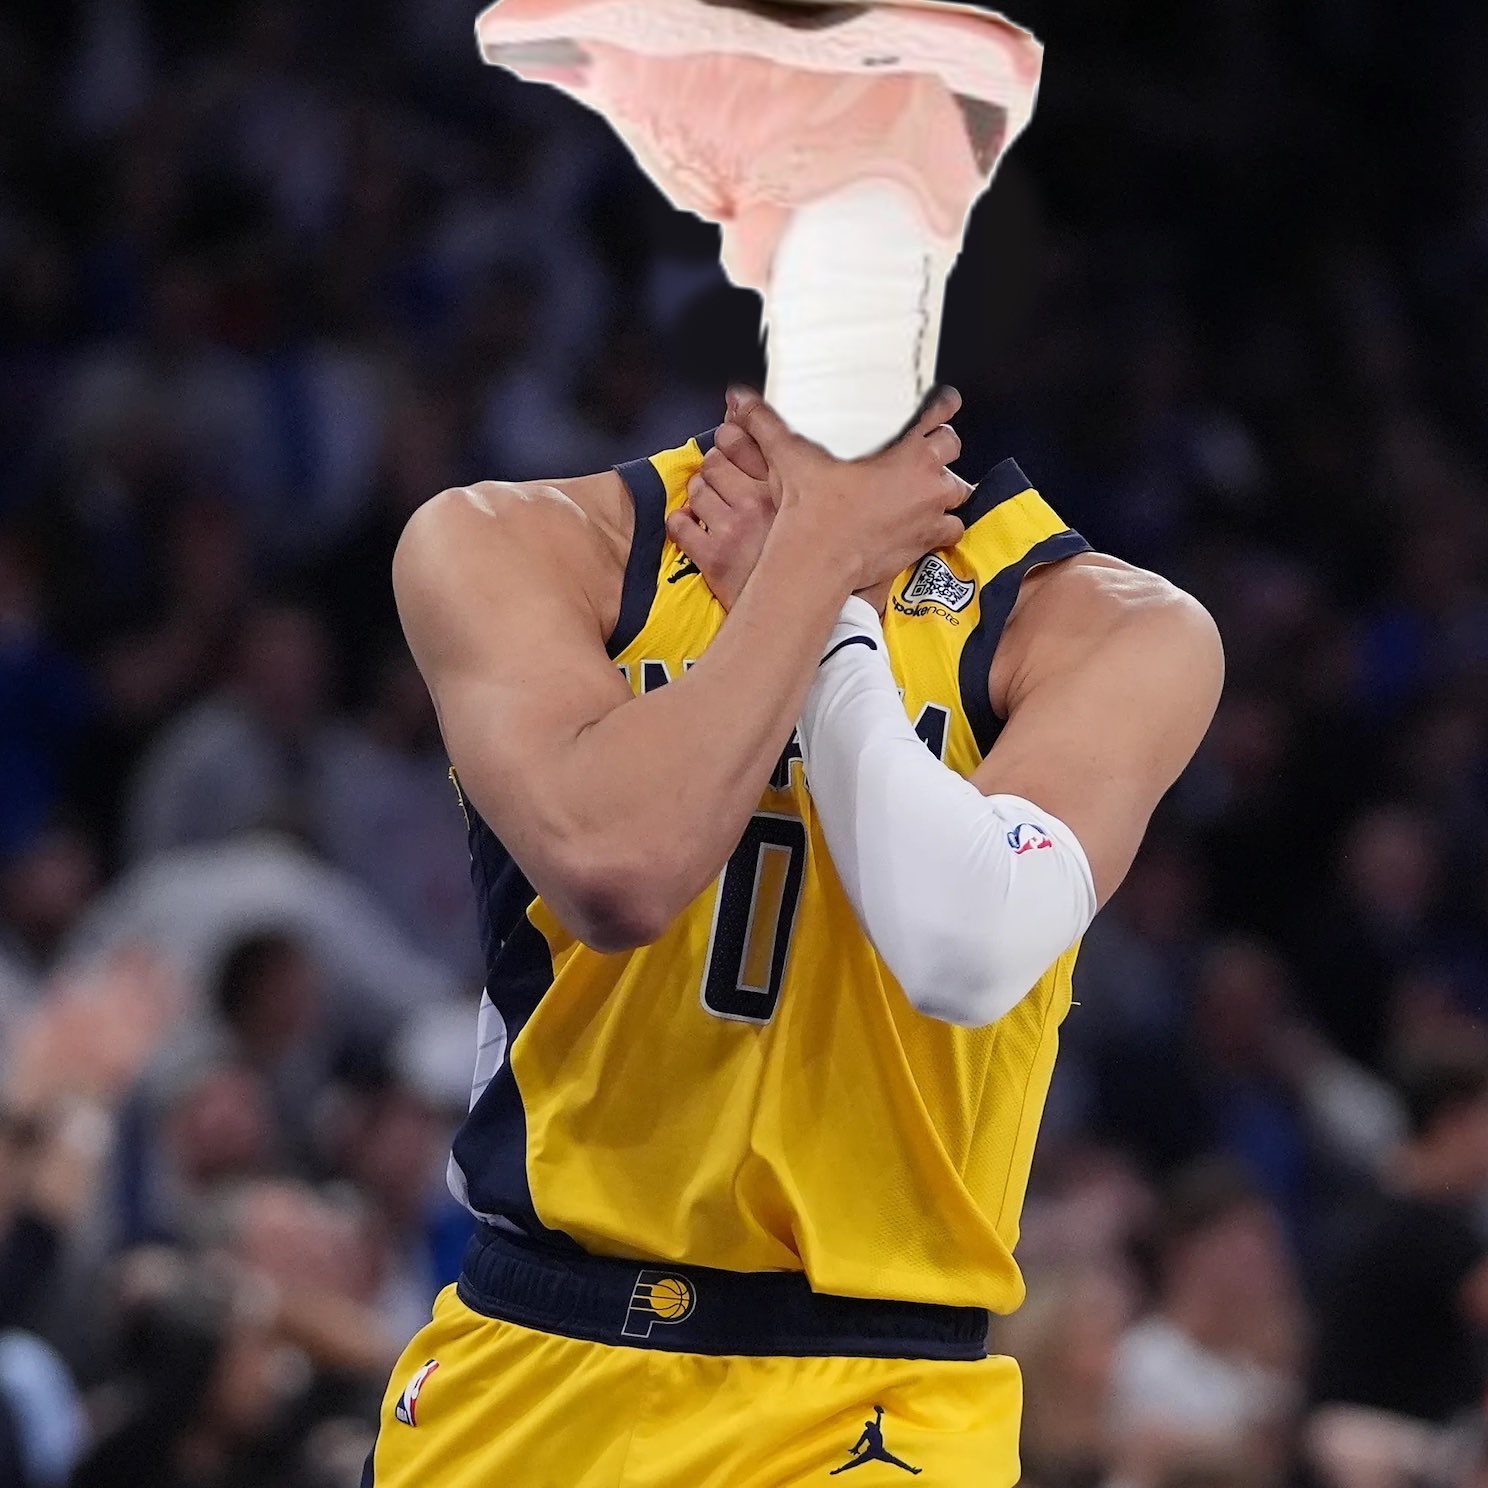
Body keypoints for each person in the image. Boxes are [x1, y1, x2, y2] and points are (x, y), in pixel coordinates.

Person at [369, 3, 1223, 1484]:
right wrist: (815, 566)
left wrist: (814, 605)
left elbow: (965, 946)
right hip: (532, 1357)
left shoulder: (1108, 627)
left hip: (870, 1396)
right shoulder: (519, 545)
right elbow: (621, 866)